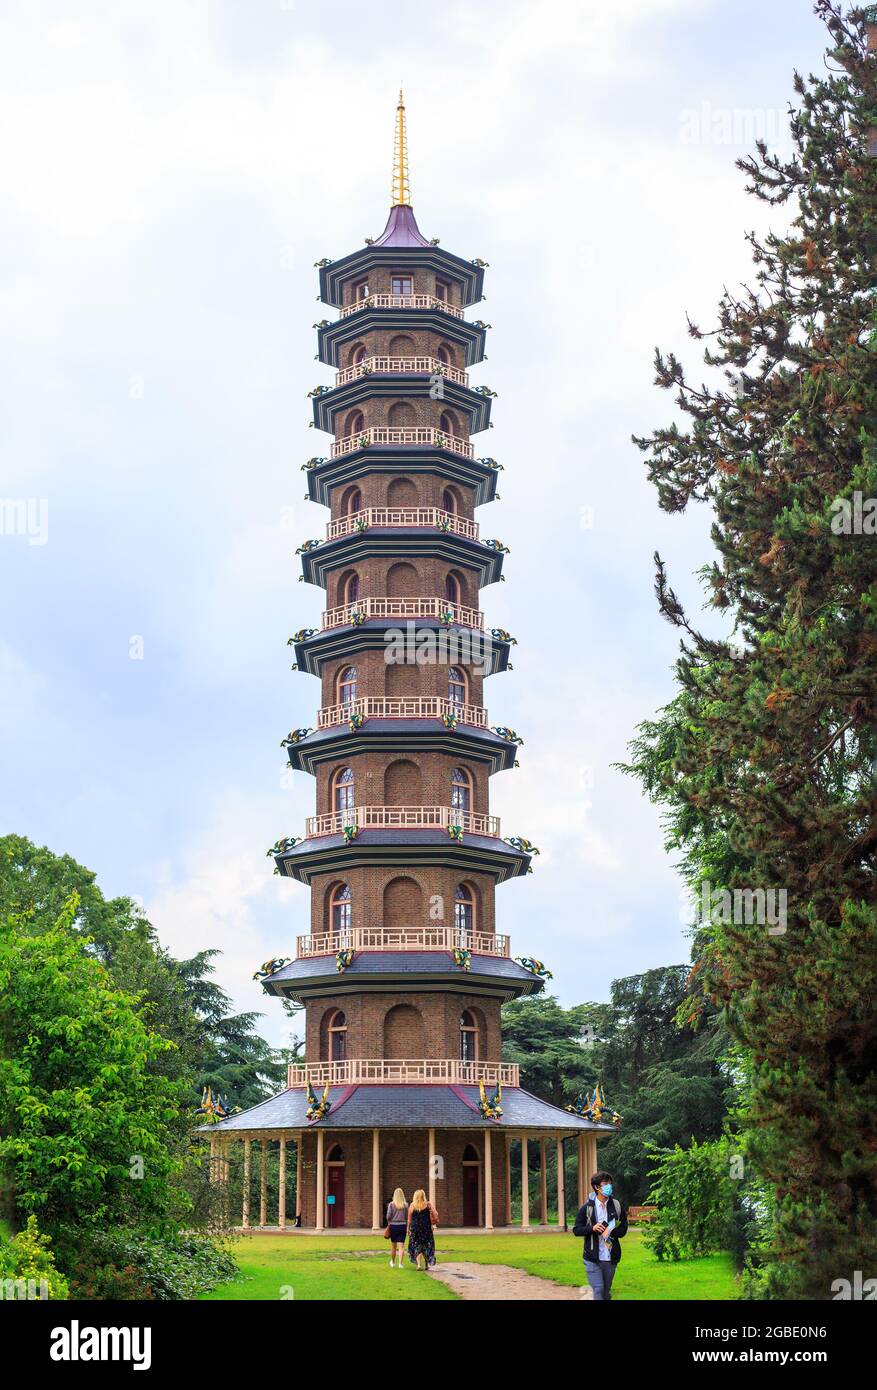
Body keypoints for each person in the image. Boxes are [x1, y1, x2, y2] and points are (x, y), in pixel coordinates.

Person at [572, 1170, 628, 1301]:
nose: (609, 1186)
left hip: (610, 1257)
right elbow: (576, 1230)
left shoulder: (616, 1206)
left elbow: (623, 1230)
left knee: (605, 1292)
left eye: (610, 1183)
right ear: (597, 1187)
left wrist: (611, 1230)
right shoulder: (587, 1208)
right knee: (598, 1289)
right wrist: (592, 1228)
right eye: (605, 1184)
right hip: (592, 1257)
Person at [407, 1188, 438, 1270]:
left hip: (415, 1229)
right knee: (426, 1246)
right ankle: (426, 1265)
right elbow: (435, 1214)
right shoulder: (428, 1204)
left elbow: (409, 1219)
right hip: (426, 1228)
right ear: (423, 1196)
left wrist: (408, 1229)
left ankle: (419, 1265)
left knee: (416, 1246)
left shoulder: (412, 1205)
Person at [385, 1187, 408, 1269]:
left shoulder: (391, 1204)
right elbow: (406, 1217)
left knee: (393, 1246)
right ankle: (401, 1264)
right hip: (402, 1226)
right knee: (401, 1247)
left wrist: (389, 1222)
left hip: (393, 1226)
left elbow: (388, 1216)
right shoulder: (405, 1205)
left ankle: (393, 1262)